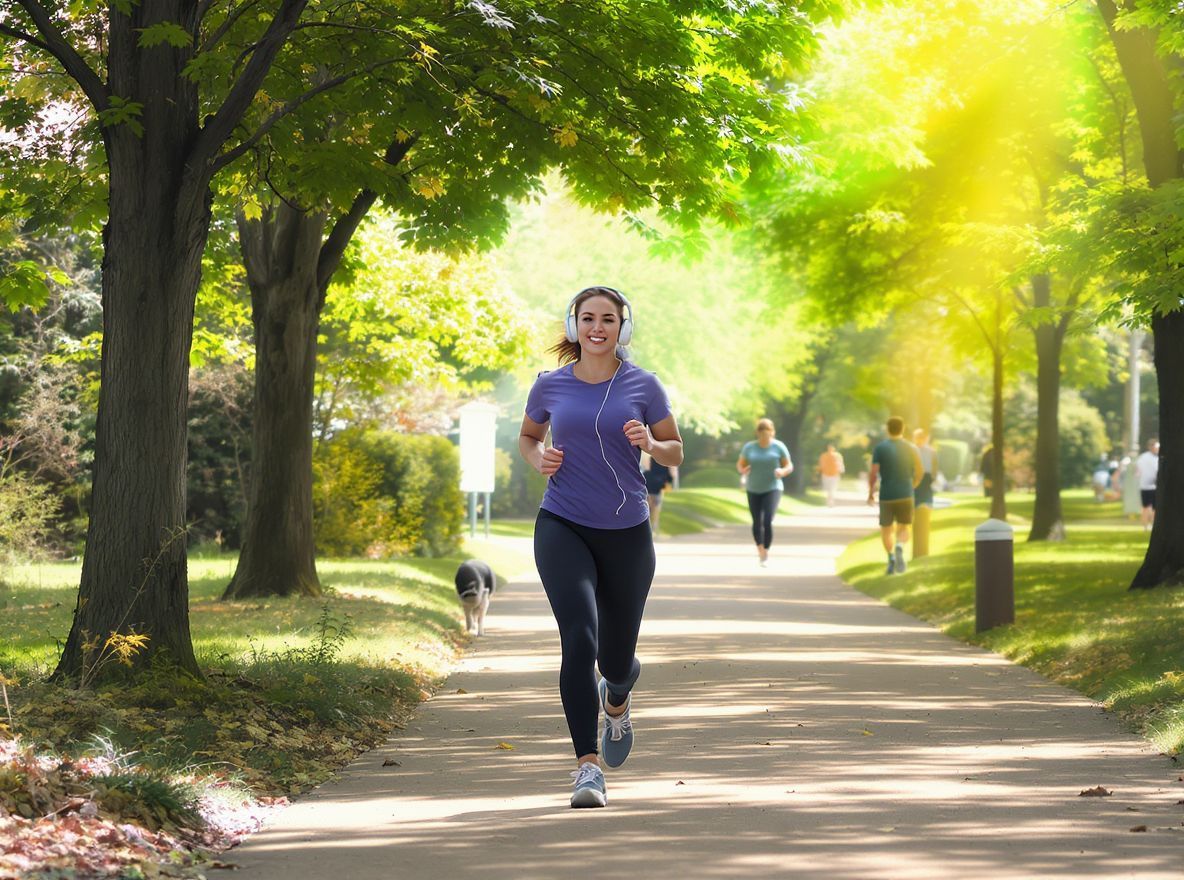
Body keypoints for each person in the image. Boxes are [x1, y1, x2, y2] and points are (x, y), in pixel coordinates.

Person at [519, 285, 683, 809]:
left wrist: (652, 446)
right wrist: (536, 457)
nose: (597, 327)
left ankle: (617, 699)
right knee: (579, 639)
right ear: (574, 325)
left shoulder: (644, 384)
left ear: (622, 327)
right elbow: (528, 436)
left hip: (627, 531)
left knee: (615, 659)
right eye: (587, 318)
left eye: (607, 319)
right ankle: (587, 769)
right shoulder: (549, 385)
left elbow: (675, 446)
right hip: (562, 523)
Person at [868, 417, 923, 575]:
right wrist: (912, 486)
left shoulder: (880, 448)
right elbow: (919, 471)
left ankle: (891, 558)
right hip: (905, 493)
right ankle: (900, 545)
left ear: (887, 429)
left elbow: (873, 472)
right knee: (904, 526)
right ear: (903, 428)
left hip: (886, 494)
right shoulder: (911, 448)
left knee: (886, 529)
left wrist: (871, 492)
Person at [737, 418, 792, 566]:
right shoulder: (749, 447)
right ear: (757, 433)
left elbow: (789, 466)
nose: (764, 437)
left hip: (773, 487)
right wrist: (743, 470)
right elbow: (740, 465)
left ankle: (766, 551)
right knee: (757, 521)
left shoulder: (779, 447)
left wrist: (782, 471)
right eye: (761, 434)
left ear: (772, 433)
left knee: (767, 520)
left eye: (767, 434)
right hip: (753, 488)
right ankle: (760, 549)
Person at [642, 454, 675, 535]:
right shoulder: (666, 460)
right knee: (656, 508)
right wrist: (669, 481)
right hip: (659, 486)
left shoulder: (652, 458)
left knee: (648, 508)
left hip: (649, 485)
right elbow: (669, 477)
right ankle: (654, 528)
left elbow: (648, 469)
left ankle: (648, 528)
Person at [1136, 438, 1159, 531]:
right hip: (1146, 486)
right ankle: (1146, 526)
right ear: (1150, 447)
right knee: (1146, 507)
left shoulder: (1154, 457)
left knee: (1154, 508)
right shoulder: (1145, 457)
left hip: (1154, 486)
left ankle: (1151, 525)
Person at [912, 428, 937, 509]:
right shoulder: (912, 449)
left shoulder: (931, 451)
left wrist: (934, 476)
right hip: (915, 475)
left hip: (926, 476)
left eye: (921, 437)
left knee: (925, 498)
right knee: (916, 497)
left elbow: (934, 464)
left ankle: (925, 511)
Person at [817, 443, 845, 507]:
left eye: (831, 447)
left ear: (834, 448)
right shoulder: (824, 455)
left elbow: (840, 464)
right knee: (828, 488)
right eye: (829, 447)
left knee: (832, 489)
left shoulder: (837, 455)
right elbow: (821, 464)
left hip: (834, 475)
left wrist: (841, 470)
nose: (830, 449)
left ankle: (830, 501)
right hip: (826, 474)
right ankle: (829, 500)